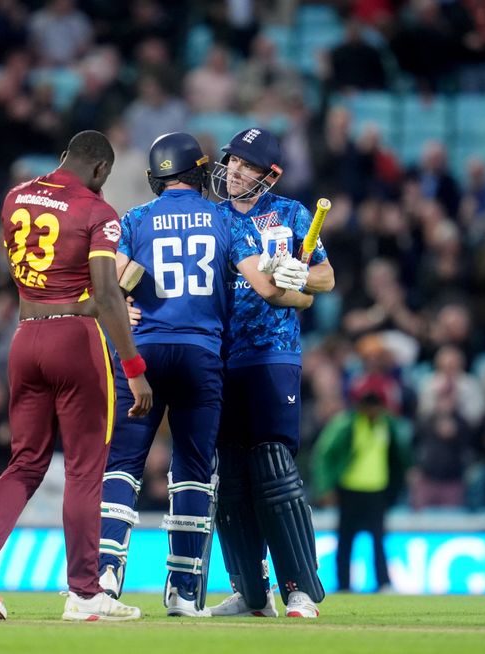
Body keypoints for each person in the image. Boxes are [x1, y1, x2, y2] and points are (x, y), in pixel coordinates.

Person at [97, 133, 312, 616]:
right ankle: (184, 593)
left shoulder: (136, 219)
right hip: (202, 357)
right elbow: (264, 287)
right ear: (200, 172)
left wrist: (124, 308)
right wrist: (301, 292)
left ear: (156, 177)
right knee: (193, 472)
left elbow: (112, 290)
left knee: (123, 465)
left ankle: (106, 581)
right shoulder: (222, 219)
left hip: (146, 352)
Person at [0, 130, 152, 622]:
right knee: (85, 469)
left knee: (24, 463)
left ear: (64, 157)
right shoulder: (98, 212)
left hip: (26, 336)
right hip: (75, 341)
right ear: (102, 171)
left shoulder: (15, 196)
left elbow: (41, 276)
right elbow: (107, 295)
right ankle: (86, 592)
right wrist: (135, 369)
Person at [208, 127, 335, 619]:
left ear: (270, 174)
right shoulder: (213, 217)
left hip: (273, 353)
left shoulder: (292, 214)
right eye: (232, 161)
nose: (235, 170)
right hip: (219, 358)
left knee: (274, 470)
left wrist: (299, 275)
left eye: (246, 164)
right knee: (232, 480)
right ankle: (251, 592)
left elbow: (325, 276)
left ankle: (300, 588)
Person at [313, 374, 411, 594]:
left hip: (377, 492)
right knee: (346, 540)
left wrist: (398, 486)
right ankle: (344, 584)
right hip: (350, 490)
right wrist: (326, 487)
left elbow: (399, 458)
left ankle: (383, 582)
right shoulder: (346, 425)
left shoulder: (387, 426)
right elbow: (325, 455)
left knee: (378, 540)